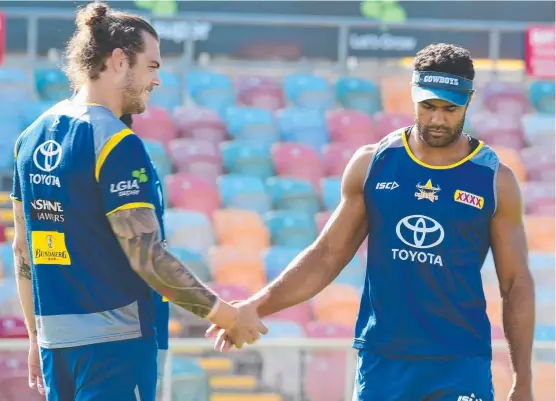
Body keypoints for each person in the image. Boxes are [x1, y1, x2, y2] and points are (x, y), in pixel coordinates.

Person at [207, 43, 536, 401]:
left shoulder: (493, 180)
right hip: (382, 363)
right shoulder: (373, 164)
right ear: (413, 96)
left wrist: (524, 381)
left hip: (459, 364)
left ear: (468, 102)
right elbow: (327, 255)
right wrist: (254, 306)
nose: (438, 119)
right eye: (428, 106)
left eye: (450, 109)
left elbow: (516, 283)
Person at [11, 3, 267, 401]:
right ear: (118, 61)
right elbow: (146, 255)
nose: (157, 80)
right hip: (116, 345)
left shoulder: (30, 137)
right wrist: (226, 315)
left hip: (53, 344)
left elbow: (22, 248)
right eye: (151, 66)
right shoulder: (115, 141)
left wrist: (34, 338)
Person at [120, 113, 169, 390]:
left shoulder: (136, 164)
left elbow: (149, 251)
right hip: (128, 328)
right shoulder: (138, 163)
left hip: (141, 325)